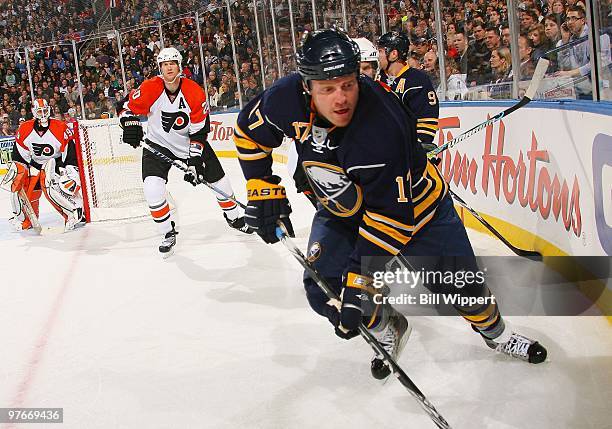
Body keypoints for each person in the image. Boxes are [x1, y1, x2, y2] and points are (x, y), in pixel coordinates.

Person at [233, 28, 547, 381]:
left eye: (348, 84)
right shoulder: (284, 98)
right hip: (342, 213)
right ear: (306, 86)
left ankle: (497, 334)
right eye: (328, 88)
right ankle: (389, 326)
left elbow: (391, 219)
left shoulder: (380, 125)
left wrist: (361, 280)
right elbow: (248, 132)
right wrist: (261, 184)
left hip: (419, 212)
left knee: (465, 290)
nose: (341, 99)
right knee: (326, 290)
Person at [118, 47, 252, 258]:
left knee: (221, 184)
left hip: (188, 143)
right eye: (164, 64)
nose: (168, 67)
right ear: (160, 68)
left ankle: (234, 217)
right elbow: (124, 107)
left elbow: (200, 131)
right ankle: (166, 232)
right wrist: (129, 122)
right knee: (152, 189)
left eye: (172, 63)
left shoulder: (194, 91)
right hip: (157, 145)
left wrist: (194, 161)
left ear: (180, 66)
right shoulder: (150, 88)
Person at [1, 98, 85, 232]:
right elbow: (20, 156)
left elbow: (70, 152)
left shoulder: (60, 126)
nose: (43, 114)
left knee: (54, 186)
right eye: (39, 111)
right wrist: (19, 171)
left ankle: (74, 212)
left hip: (55, 164)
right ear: (34, 112)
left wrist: (70, 170)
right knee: (25, 189)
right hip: (35, 164)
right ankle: (27, 219)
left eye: (45, 110)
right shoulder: (25, 128)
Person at [377, 31, 439, 153]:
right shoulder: (377, 78)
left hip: (405, 152)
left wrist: (418, 146)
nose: (378, 56)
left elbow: (427, 118)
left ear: (393, 54)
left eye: (380, 51)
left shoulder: (417, 81)